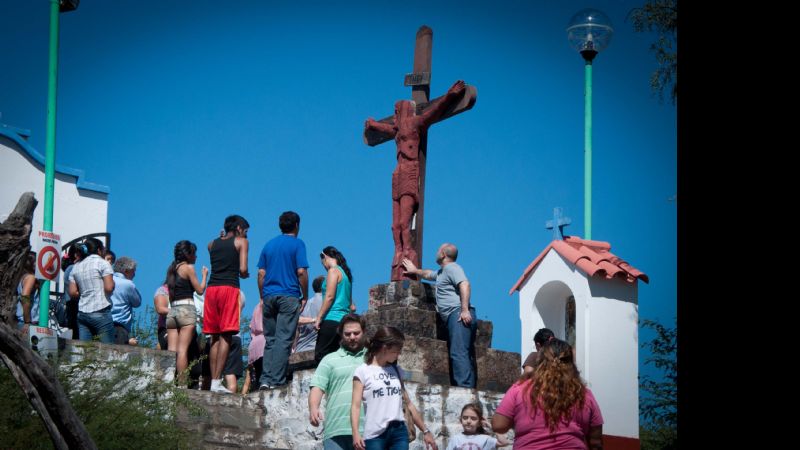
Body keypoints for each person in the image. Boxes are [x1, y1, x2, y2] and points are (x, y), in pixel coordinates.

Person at [364, 80, 466, 281]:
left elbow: (434, 111)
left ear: (403, 110)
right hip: (398, 173)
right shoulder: (397, 130)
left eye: (396, 110)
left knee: (404, 221)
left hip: (410, 171)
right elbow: (386, 129)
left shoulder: (416, 123)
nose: (394, 114)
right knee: (395, 225)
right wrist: (373, 124)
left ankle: (408, 251)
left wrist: (450, 95)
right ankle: (398, 252)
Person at [492, 338, 604, 450]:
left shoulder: (520, 389)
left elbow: (498, 425)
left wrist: (520, 419)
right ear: (570, 363)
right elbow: (595, 441)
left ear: (540, 362)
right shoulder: (583, 394)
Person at [402, 243, 477, 388]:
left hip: (458, 315)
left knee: (459, 352)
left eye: (438, 250)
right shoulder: (443, 272)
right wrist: (415, 270)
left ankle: (465, 389)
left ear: (443, 254)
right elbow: (429, 274)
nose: (435, 252)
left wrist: (465, 309)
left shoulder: (452, 268)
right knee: (461, 352)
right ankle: (466, 386)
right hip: (454, 316)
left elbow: (465, 284)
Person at [350, 326, 437, 450]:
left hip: (399, 432)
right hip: (374, 435)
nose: (399, 354)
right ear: (385, 348)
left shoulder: (396, 370)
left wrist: (425, 431)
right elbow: (355, 405)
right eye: (397, 350)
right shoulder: (362, 371)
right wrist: (356, 433)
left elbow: (409, 404)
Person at [257, 211, 308, 389]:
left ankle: (265, 379)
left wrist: (262, 296)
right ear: (297, 226)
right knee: (284, 339)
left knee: (270, 339)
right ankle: (276, 380)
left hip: (269, 295)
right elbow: (301, 271)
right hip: (289, 294)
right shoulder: (297, 244)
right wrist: (305, 295)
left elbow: (261, 273)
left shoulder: (269, 245)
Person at [308, 313, 369, 450]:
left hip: (367, 429)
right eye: (347, 334)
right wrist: (313, 407)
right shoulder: (329, 359)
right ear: (341, 334)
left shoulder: (373, 359)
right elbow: (317, 386)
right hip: (335, 430)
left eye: (356, 333)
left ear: (364, 332)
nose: (352, 337)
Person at [204, 215, 250, 394]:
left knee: (214, 336)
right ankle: (216, 381)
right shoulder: (241, 242)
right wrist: (245, 275)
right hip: (229, 288)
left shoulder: (211, 244)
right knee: (227, 335)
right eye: (245, 231)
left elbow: (219, 251)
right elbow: (243, 269)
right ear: (239, 228)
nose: (245, 234)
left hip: (212, 290)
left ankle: (213, 381)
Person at [165, 240, 207, 385]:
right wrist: (204, 276)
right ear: (188, 255)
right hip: (186, 310)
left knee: (171, 352)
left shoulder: (171, 269)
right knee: (183, 351)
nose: (195, 257)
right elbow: (200, 290)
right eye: (194, 254)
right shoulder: (188, 268)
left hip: (172, 312)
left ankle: (168, 382)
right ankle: (182, 385)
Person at [68, 238, 115, 343]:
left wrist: (85, 291)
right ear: (99, 250)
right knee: (107, 350)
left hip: (82, 313)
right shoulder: (103, 263)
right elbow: (109, 288)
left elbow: (72, 292)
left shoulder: (76, 266)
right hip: (101, 310)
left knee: (84, 351)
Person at [313, 246, 354, 362]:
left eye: (322, 262)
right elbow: (352, 306)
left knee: (322, 358)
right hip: (344, 321)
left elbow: (329, 297)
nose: (324, 266)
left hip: (331, 319)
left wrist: (319, 317)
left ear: (325, 257)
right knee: (338, 359)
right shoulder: (346, 275)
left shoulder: (333, 271)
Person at [445, 403, 510, 450]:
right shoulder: (455, 439)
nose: (468, 421)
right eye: (465, 418)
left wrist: (491, 426)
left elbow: (504, 442)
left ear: (479, 423)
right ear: (461, 420)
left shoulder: (485, 439)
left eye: (473, 418)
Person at [110, 256, 142, 345]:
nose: (134, 274)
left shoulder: (107, 280)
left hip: (105, 323)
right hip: (119, 327)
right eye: (133, 271)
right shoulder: (128, 284)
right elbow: (137, 302)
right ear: (126, 271)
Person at [223, 289, 246, 393]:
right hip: (235, 334)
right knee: (231, 373)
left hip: (220, 334)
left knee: (212, 375)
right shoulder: (240, 293)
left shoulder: (219, 290)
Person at [294, 275, 324, 353]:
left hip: (300, 349)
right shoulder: (327, 302)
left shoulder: (303, 304)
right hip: (318, 349)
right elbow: (352, 307)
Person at [15, 251, 40, 328]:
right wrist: (27, 321)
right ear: (31, 263)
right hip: (28, 323)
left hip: (23, 321)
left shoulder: (23, 276)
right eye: (37, 262)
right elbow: (25, 296)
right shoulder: (31, 278)